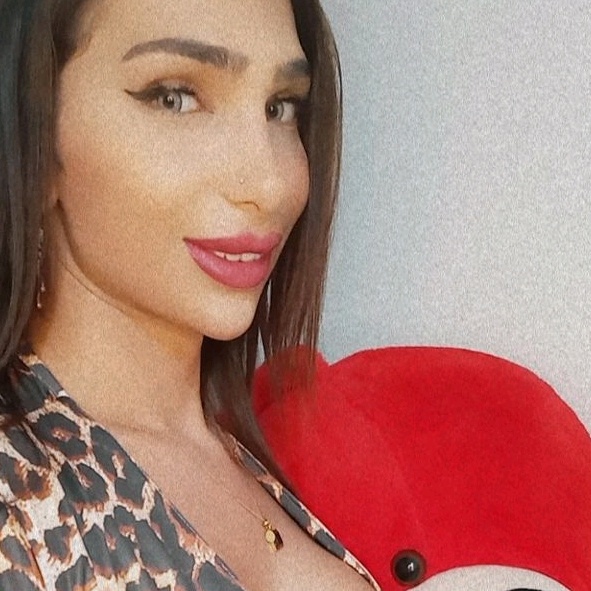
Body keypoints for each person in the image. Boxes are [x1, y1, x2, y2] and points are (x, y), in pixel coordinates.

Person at [0, 1, 378, 589]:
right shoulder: (19, 494)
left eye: (281, 107)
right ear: (35, 136)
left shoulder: (240, 455)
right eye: (174, 98)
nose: (269, 184)